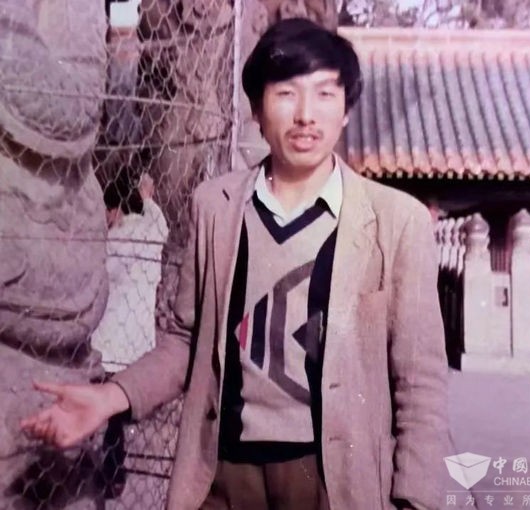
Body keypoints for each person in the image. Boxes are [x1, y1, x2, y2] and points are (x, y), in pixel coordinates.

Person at [22, 18, 448, 510]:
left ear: (346, 110)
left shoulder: (396, 222)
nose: (305, 115)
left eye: (325, 94)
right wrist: (110, 397)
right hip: (224, 474)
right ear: (257, 110)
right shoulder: (216, 208)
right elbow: (188, 341)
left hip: (335, 480)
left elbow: (420, 381)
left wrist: (416, 499)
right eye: (285, 94)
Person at [93, 172, 169, 496]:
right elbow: (161, 224)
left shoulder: (113, 241)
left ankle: (107, 470)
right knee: (117, 409)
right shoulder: (150, 232)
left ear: (114, 210)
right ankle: (114, 470)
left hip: (110, 339)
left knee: (106, 410)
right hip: (138, 341)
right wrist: (148, 198)